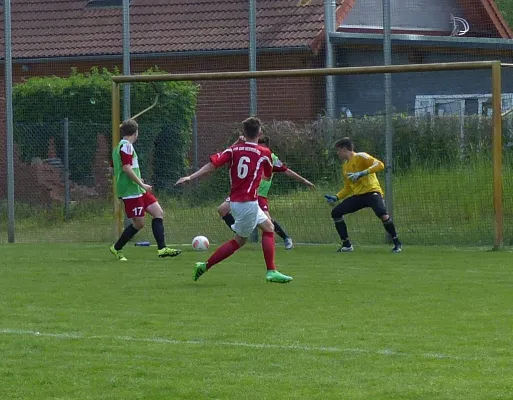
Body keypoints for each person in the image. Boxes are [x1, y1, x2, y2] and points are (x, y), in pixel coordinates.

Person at [175, 117, 293, 283]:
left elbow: (212, 165)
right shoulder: (264, 152)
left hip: (237, 201)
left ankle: (271, 270)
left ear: (243, 133)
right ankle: (204, 265)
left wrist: (190, 176)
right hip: (248, 203)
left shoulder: (233, 150)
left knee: (269, 227)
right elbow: (267, 177)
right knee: (239, 241)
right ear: (259, 133)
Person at [217, 135, 315, 249]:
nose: (258, 148)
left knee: (268, 222)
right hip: (244, 192)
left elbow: (286, 171)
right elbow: (229, 153)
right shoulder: (251, 153)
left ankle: (286, 238)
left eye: (261, 146)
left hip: (259, 195)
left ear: (267, 147)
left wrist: (304, 181)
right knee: (222, 209)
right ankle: (240, 235)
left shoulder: (271, 157)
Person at [109, 119, 182, 261]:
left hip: (137, 188)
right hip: (131, 191)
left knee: (158, 212)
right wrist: (141, 184)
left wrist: (136, 180)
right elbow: (126, 168)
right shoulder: (127, 147)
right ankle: (117, 248)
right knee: (139, 223)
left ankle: (162, 249)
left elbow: (113, 169)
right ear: (136, 133)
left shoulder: (117, 148)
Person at [324, 137, 402, 253]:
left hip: (372, 192)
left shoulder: (361, 156)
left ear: (345, 149)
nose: (337, 153)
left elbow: (380, 165)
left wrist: (362, 173)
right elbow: (348, 187)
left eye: (339, 150)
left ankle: (397, 243)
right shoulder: (345, 167)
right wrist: (336, 197)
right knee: (336, 212)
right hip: (358, 196)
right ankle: (347, 245)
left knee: (382, 213)